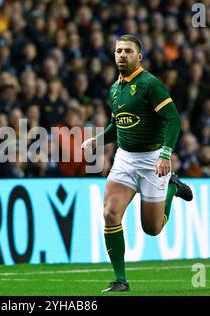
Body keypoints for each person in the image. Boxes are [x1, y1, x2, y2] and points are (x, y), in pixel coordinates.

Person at [81, 35, 193, 292]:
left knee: (152, 229)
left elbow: (173, 119)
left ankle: (172, 188)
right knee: (110, 213)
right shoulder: (114, 89)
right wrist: (97, 141)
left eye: (128, 51)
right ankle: (120, 280)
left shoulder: (149, 84)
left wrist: (166, 154)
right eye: (119, 51)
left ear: (138, 57)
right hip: (124, 159)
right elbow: (117, 125)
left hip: (153, 159)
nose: (122, 55)